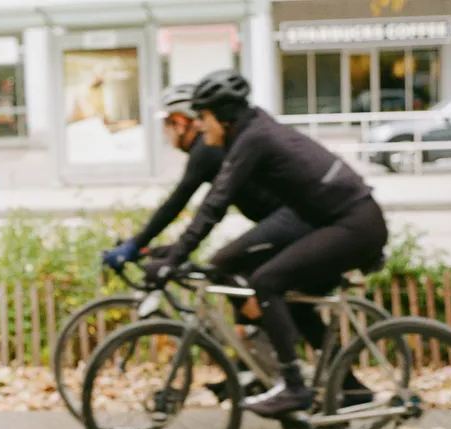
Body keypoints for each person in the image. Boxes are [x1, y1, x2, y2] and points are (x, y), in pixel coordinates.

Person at [143, 69, 388, 417]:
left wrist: (174, 258)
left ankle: (293, 386)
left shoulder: (254, 139)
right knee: (296, 302)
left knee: (265, 281)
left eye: (204, 118)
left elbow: (214, 205)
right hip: (344, 222)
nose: (201, 126)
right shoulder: (253, 131)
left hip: (352, 226)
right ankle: (349, 389)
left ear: (224, 117)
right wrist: (175, 252)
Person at [103, 84, 350, 402]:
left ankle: (276, 374)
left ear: (182, 122)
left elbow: (179, 202)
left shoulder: (207, 151)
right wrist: (165, 248)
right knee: (250, 285)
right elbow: (205, 206)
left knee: (227, 268)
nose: (166, 135)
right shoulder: (211, 151)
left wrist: (137, 246)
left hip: (292, 223)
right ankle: (259, 370)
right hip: (283, 225)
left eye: (167, 126)